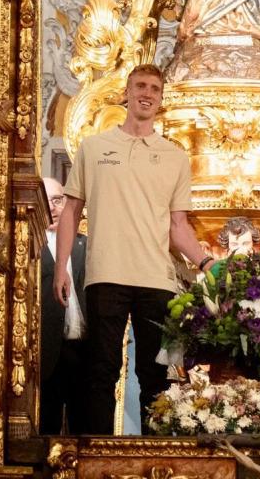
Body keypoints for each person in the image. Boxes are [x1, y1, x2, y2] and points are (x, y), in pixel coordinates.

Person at [54, 63, 208, 434]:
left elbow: (178, 225)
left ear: (160, 98)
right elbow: (71, 210)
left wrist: (206, 262)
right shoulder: (94, 147)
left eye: (154, 88)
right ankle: (101, 455)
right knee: (101, 369)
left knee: (155, 375)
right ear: (127, 92)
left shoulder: (174, 156)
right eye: (140, 85)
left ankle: (152, 453)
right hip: (105, 273)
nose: (147, 93)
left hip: (157, 279)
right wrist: (62, 268)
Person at [40, 175, 87, 433]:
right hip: (48, 352)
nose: (53, 208)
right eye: (45, 202)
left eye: (57, 200)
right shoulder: (29, 248)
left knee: (86, 426)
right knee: (47, 425)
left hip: (84, 350)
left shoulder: (86, 245)